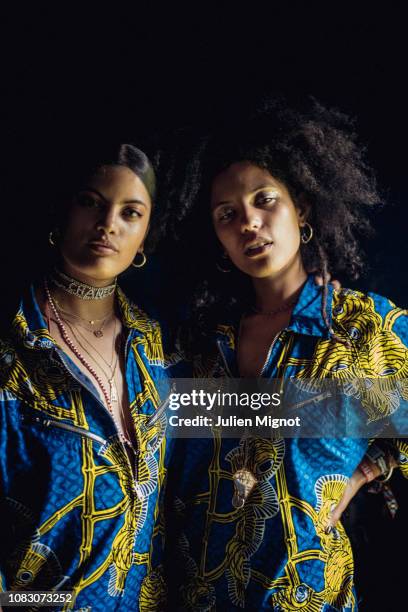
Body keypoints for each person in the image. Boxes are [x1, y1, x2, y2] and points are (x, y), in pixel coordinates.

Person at [161, 100, 408, 610]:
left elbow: (400, 415)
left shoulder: (363, 329)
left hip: (307, 596)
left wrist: (365, 471)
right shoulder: (198, 347)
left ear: (303, 209)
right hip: (195, 595)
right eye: (227, 215)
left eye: (264, 200)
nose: (248, 222)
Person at [0, 143, 171, 611]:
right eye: (91, 202)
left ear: (144, 237)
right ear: (61, 212)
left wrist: (374, 462)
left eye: (130, 213)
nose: (108, 224)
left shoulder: (158, 348)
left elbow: (266, 418)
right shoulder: (13, 354)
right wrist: (42, 604)